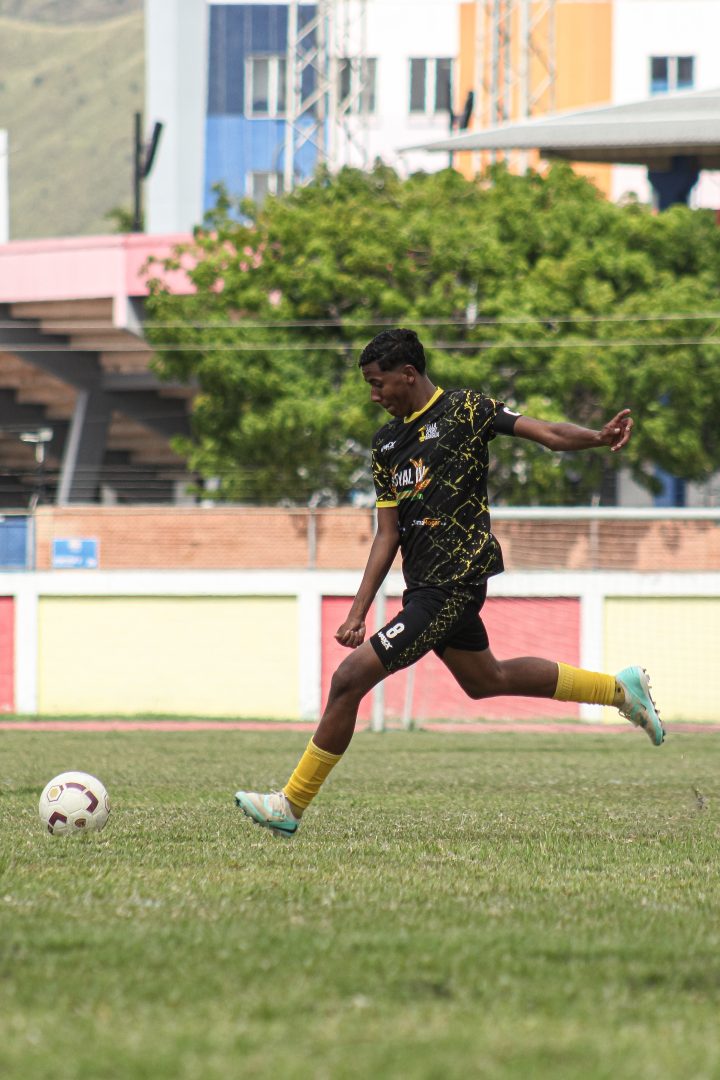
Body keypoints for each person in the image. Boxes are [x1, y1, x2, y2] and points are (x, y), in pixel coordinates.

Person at [235, 328, 664, 838]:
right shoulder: (385, 444)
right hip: (424, 587)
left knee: (349, 679)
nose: (373, 395)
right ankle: (619, 690)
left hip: (456, 582)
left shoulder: (465, 410)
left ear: (407, 374)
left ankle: (291, 804)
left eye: (377, 383)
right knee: (487, 680)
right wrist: (357, 611)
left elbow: (547, 433)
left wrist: (597, 436)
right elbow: (387, 534)